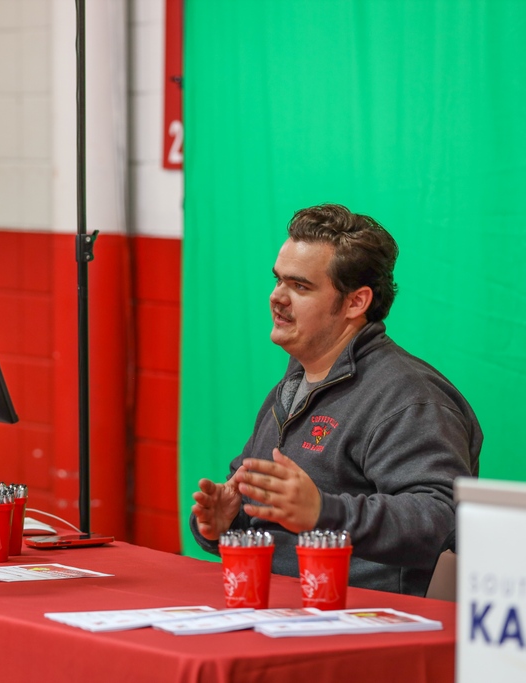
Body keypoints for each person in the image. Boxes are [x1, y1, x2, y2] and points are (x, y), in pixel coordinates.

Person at [190, 204, 482, 597]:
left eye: (300, 286)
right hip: (280, 613)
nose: (277, 297)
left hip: (365, 629)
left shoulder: (410, 398)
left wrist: (322, 513)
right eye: (278, 281)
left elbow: (442, 517)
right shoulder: (293, 383)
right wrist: (229, 520)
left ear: (355, 303)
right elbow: (271, 514)